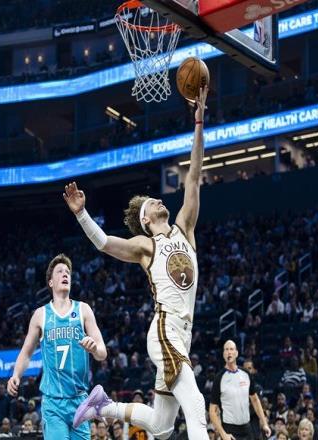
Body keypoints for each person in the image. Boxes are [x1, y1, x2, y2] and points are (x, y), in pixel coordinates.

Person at [66, 87, 210, 440]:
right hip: (165, 331)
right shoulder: (146, 245)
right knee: (195, 403)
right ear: (146, 220)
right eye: (151, 203)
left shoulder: (184, 228)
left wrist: (199, 122)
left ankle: (103, 406)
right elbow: (104, 243)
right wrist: (82, 213)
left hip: (183, 334)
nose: (158, 200)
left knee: (161, 425)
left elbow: (194, 174)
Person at [7, 254, 107, 439]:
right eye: (60, 271)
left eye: (68, 272)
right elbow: (26, 353)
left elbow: (102, 353)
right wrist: (16, 375)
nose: (65, 274)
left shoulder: (83, 309)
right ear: (51, 282)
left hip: (80, 400)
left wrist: (94, 349)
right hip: (53, 403)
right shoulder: (40, 315)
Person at [209, 340, 271, 440]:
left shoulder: (246, 374)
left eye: (231, 349)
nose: (229, 352)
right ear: (223, 354)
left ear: (236, 353)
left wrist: (264, 423)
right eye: (226, 350)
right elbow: (212, 411)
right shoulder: (219, 378)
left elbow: (255, 400)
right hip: (229, 429)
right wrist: (223, 434)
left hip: (247, 428)